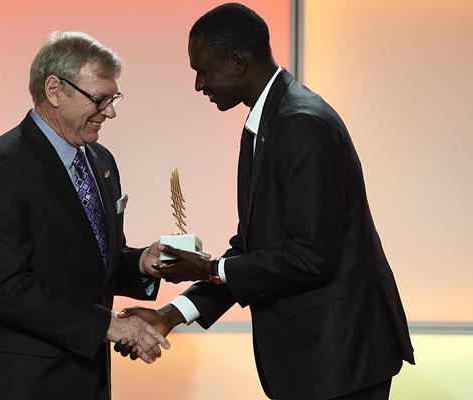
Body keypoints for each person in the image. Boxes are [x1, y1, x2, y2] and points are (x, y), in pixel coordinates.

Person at [116, 3, 415, 399]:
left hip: (340, 359)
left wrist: (208, 267)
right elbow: (253, 248)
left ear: (238, 63)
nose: (198, 85)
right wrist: (171, 314)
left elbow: (312, 256)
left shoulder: (302, 124)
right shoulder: (264, 123)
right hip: (316, 361)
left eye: (202, 71)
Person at [0, 31, 170, 400]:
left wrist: (141, 263)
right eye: (100, 99)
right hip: (27, 380)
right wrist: (107, 325)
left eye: (114, 98)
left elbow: (91, 264)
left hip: (88, 375)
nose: (110, 111)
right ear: (54, 90)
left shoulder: (101, 161)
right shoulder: (2, 166)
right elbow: (7, 287)